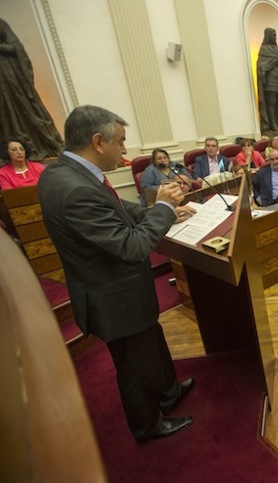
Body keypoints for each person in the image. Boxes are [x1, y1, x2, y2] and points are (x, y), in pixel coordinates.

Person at [37, 105, 196, 442]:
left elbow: (119, 209)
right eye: (121, 142)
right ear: (98, 141)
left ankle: (169, 392)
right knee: (134, 367)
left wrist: (159, 213)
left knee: (151, 343)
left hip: (121, 291)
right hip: (113, 297)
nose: (125, 150)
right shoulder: (74, 189)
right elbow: (131, 247)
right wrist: (164, 209)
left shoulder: (65, 171)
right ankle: (147, 425)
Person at [0, 19, 63, 160]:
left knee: (25, 111)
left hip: (10, 79)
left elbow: (16, 47)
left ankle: (37, 147)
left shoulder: (1, 24)